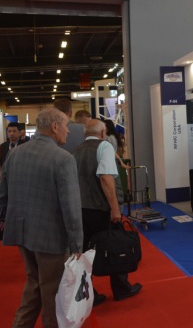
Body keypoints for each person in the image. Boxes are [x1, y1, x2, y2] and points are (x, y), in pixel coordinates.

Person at [0, 107, 83, 328]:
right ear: (55, 127)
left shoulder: (15, 154)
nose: (68, 131)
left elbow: (0, 196)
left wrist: (3, 225)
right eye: (66, 126)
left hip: (22, 233)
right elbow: (71, 207)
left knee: (35, 283)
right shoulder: (63, 159)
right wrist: (77, 245)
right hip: (51, 238)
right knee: (53, 292)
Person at [72, 119, 142, 305]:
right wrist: (115, 208)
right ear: (103, 133)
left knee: (84, 252)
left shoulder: (75, 151)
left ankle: (89, 294)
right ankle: (122, 288)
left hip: (80, 209)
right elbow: (105, 178)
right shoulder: (104, 147)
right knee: (116, 245)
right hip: (101, 208)